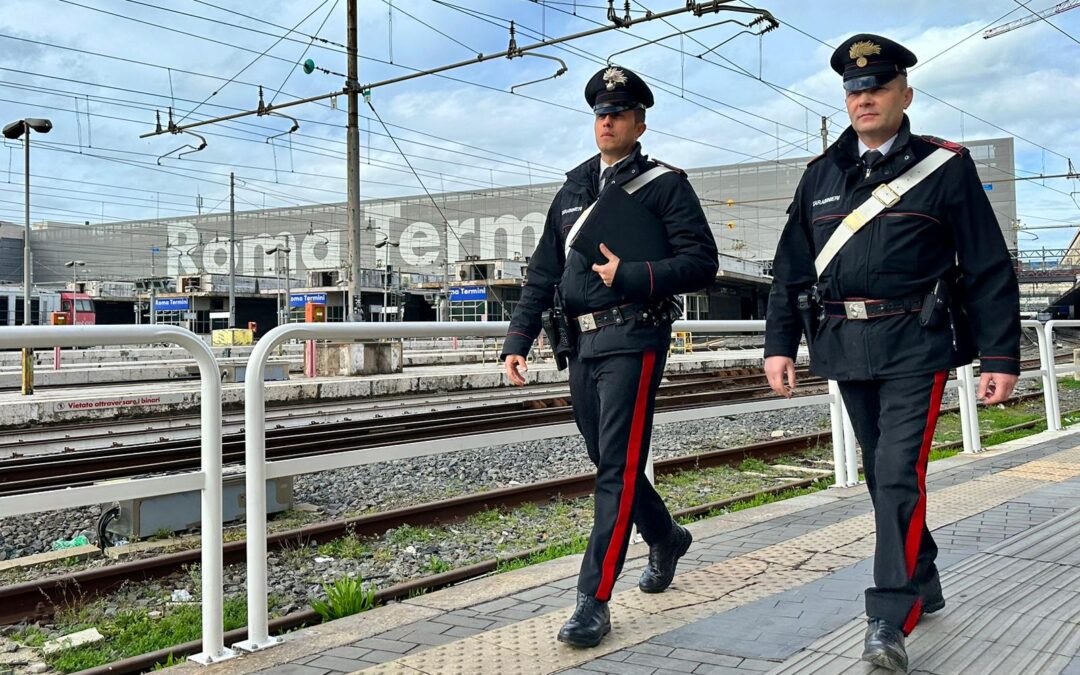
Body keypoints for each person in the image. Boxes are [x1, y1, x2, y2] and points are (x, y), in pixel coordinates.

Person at [764, 34, 1020, 672]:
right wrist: (778, 347)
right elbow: (791, 270)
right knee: (884, 473)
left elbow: (987, 267)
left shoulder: (944, 166)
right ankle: (922, 576)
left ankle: (887, 616)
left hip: (918, 342)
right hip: (845, 347)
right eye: (854, 89)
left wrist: (1002, 356)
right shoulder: (820, 176)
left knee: (900, 471)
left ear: (905, 94)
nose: (864, 97)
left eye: (877, 86)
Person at [500, 65, 719, 648]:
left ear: (639, 122)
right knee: (609, 461)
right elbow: (543, 273)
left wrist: (635, 275)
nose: (607, 120)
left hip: (635, 335)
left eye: (618, 113)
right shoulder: (572, 188)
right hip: (581, 342)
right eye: (600, 112)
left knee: (618, 466)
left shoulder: (664, 185)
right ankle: (665, 536)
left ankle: (592, 599)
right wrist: (517, 340)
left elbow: (702, 262)